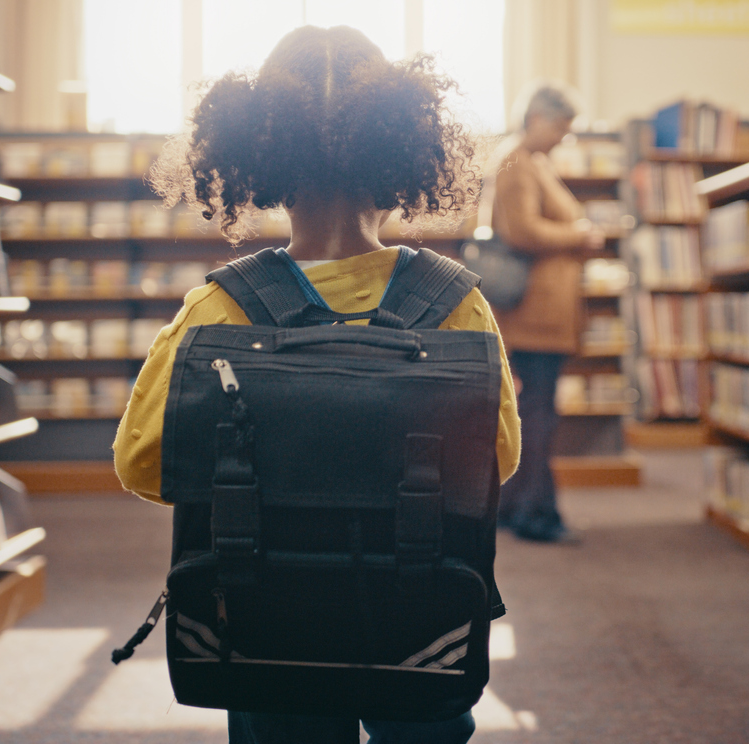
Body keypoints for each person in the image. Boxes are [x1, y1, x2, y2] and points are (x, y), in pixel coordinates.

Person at [111, 26, 521, 744]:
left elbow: (142, 467)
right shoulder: (456, 302)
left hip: (266, 620)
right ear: (404, 157)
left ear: (256, 159)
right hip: (417, 622)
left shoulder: (217, 308)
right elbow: (497, 462)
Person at [490, 84, 605, 544]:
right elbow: (520, 230)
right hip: (534, 312)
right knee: (537, 413)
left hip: (543, 310)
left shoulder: (532, 162)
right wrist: (578, 235)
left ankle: (520, 505)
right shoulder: (517, 160)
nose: (564, 136)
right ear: (537, 118)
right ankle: (536, 513)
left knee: (534, 410)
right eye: (561, 126)